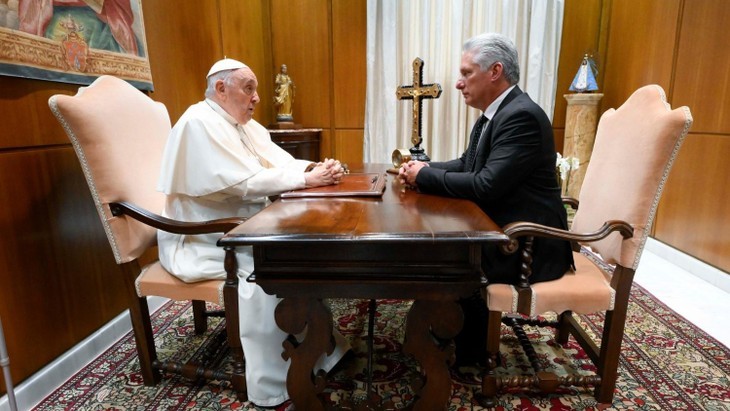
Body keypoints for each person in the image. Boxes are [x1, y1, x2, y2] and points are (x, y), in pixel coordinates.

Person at [156, 58, 350, 407]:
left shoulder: (240, 124)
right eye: (249, 88)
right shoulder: (198, 123)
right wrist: (306, 179)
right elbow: (243, 183)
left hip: (242, 225)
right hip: (206, 236)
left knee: (301, 250)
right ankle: (276, 382)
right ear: (220, 88)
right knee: (269, 267)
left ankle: (319, 350)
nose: (257, 97)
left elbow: (274, 160)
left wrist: (313, 168)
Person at [398, 33, 574, 365]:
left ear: (495, 71)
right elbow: (467, 165)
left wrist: (423, 176)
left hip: (528, 245)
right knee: (436, 242)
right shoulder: (496, 113)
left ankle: (470, 348)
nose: (458, 84)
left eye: (466, 73)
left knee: (440, 253)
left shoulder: (520, 116)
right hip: (505, 228)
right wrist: (421, 168)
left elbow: (485, 186)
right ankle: (453, 330)